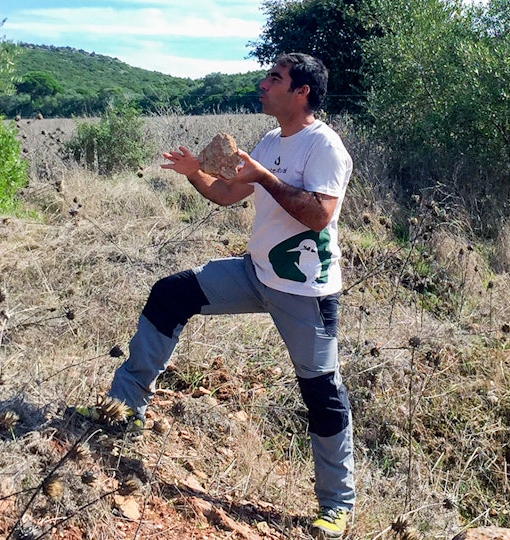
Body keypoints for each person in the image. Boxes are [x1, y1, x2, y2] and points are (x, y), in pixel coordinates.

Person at [74, 53, 355, 539]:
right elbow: (228, 195)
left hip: (305, 292)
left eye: (275, 78)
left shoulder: (324, 146)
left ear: (302, 91)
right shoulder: (271, 141)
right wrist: (192, 173)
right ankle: (124, 409)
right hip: (255, 273)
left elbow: (318, 216)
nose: (263, 83)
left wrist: (264, 177)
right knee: (170, 294)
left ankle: (336, 506)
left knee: (322, 392)